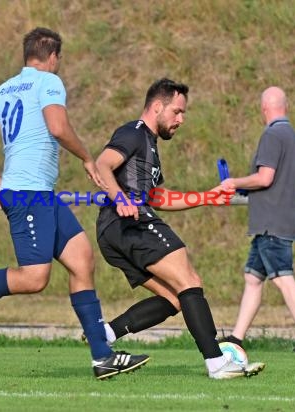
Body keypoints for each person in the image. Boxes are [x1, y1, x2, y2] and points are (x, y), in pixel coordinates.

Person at [0, 27, 149, 380]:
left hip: (40, 193)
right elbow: (58, 127)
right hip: (29, 194)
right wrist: (88, 158)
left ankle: (102, 357)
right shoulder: (48, 82)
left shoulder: (6, 88)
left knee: (81, 260)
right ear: (53, 56)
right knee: (34, 278)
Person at [93, 78, 264, 379]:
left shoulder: (150, 146)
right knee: (189, 280)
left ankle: (105, 334)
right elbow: (102, 164)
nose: (181, 120)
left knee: (174, 298)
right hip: (126, 223)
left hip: (114, 231)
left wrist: (206, 197)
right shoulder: (133, 133)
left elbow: (158, 197)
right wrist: (120, 198)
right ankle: (216, 361)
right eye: (177, 112)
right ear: (157, 106)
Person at [219, 86, 295, 353]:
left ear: (264, 108)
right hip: (282, 220)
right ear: (284, 107)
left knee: (283, 278)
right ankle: (236, 338)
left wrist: (234, 182)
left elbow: (265, 177)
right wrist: (249, 187)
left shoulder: (271, 136)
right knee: (252, 278)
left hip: (271, 223)